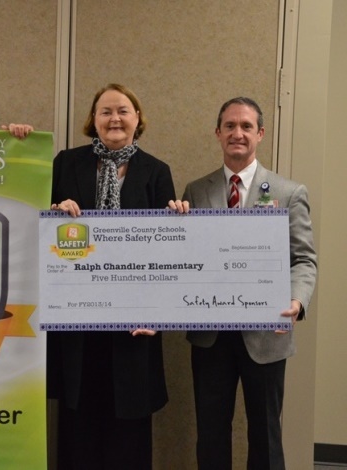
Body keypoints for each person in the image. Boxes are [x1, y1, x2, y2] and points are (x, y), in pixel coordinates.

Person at [168, 97, 317, 469]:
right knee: (211, 434)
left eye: (246, 126)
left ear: (260, 134)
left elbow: (304, 259)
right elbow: (186, 258)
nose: (238, 133)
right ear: (218, 133)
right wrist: (174, 228)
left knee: (266, 435)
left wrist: (296, 301)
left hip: (266, 335)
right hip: (210, 335)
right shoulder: (195, 191)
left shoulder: (288, 192)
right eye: (230, 126)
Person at [50, 83, 174, 469]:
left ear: (137, 119)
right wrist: (53, 213)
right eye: (105, 111)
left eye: (123, 111)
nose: (114, 118)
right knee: (78, 434)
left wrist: (158, 311)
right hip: (78, 324)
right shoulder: (66, 164)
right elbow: (39, 230)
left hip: (133, 327)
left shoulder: (157, 172)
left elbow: (168, 253)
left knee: (129, 439)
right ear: (94, 119)